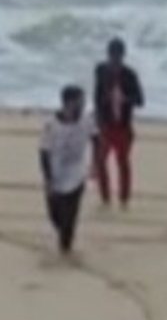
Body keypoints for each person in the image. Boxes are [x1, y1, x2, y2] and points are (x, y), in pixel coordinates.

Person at [39, 85, 95, 255]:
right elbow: (44, 152)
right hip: (56, 176)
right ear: (69, 103)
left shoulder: (87, 121)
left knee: (70, 215)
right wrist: (48, 179)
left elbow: (97, 139)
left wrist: (96, 164)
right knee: (54, 215)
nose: (83, 104)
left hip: (77, 174)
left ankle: (65, 248)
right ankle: (63, 234)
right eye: (80, 101)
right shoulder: (51, 124)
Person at [92, 37, 145, 209]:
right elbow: (97, 96)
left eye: (117, 57)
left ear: (123, 56)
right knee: (101, 161)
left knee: (122, 162)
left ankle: (124, 198)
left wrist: (125, 99)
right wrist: (98, 119)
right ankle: (105, 197)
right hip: (106, 125)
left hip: (123, 126)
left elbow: (140, 101)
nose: (114, 61)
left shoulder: (130, 75)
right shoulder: (100, 71)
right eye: (112, 57)